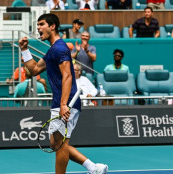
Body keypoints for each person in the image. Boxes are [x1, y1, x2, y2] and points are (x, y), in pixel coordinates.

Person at [18, 13, 108, 174]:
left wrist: (63, 104)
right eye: (37, 25)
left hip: (66, 101)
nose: (38, 28)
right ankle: (93, 168)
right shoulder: (54, 50)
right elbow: (34, 69)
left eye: (42, 24)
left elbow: (67, 75)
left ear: (52, 26)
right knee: (56, 143)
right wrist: (24, 50)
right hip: (62, 101)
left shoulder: (60, 48)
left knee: (60, 145)